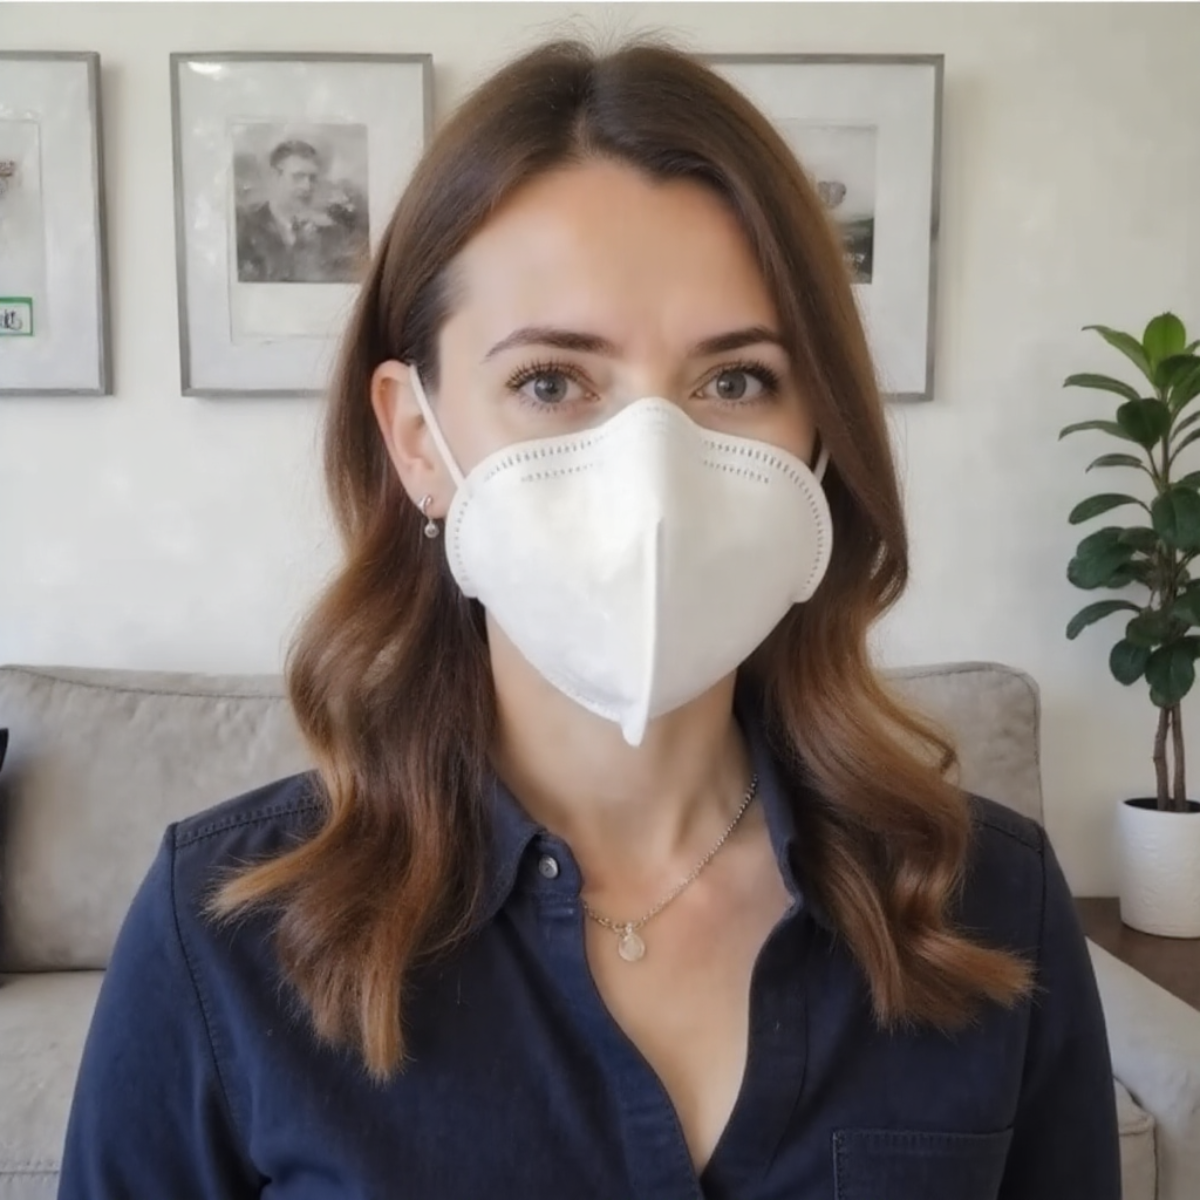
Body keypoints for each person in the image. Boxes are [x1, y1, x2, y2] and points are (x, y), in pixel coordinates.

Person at [57, 37, 1121, 1200]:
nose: (652, 476)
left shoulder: (990, 903)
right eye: (551, 382)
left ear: (819, 433)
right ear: (418, 440)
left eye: (735, 380)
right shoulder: (223, 936)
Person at [235, 138, 366, 284]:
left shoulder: (332, 233)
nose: (307, 187)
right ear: (274, 177)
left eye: (312, 178)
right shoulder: (246, 228)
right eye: (298, 177)